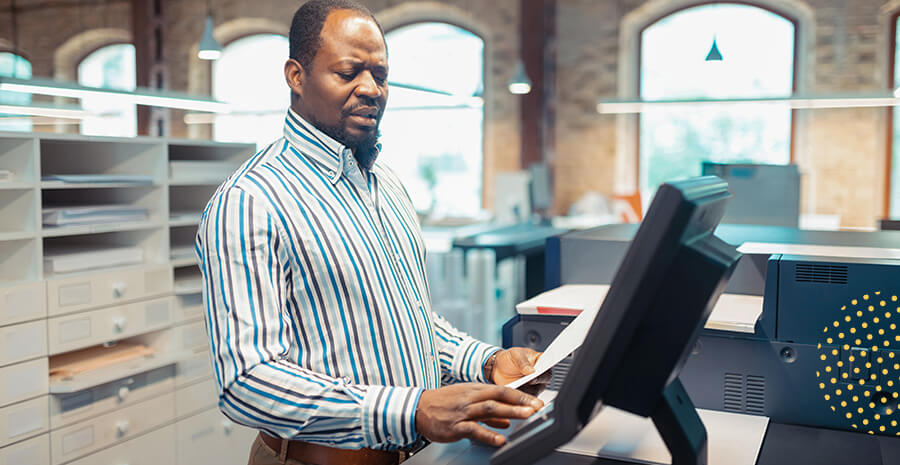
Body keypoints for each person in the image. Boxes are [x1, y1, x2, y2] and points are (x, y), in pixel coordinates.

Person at [195, 1, 550, 464]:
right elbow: (247, 381)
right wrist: (411, 410)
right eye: (348, 72)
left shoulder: (387, 185)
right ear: (296, 76)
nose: (370, 89)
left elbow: (408, 324)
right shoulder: (250, 202)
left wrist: (484, 362)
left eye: (380, 75)